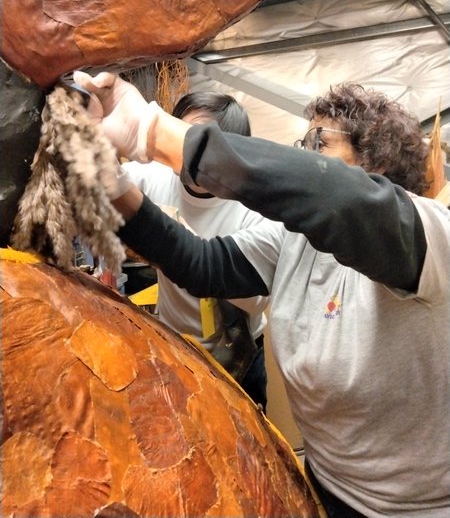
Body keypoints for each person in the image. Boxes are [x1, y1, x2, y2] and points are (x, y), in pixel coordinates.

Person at [74, 70, 450, 518]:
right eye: (302, 144)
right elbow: (203, 264)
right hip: (326, 485)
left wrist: (151, 132)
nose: (304, 156)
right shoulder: (294, 240)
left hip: (415, 509)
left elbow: (338, 198)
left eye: (319, 144)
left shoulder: (430, 238)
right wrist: (113, 185)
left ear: (378, 165)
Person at [122, 91, 270, 410]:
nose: (186, 149)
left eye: (201, 141)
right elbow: (104, 185)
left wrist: (191, 252)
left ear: (231, 150)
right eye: (181, 135)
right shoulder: (155, 177)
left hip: (239, 353)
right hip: (175, 345)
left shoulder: (253, 206)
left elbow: (258, 300)